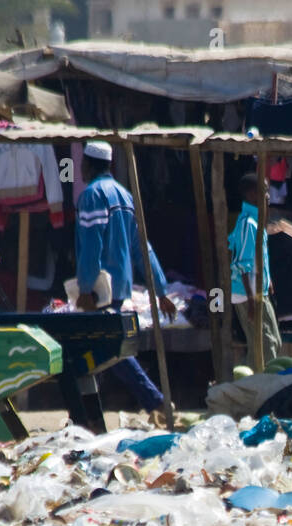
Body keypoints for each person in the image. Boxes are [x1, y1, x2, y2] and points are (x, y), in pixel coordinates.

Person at [75, 140, 173, 414]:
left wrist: (84, 287)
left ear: (90, 164)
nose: (79, 168)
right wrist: (161, 288)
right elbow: (143, 247)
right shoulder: (125, 196)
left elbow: (91, 245)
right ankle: (92, 411)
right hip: (119, 288)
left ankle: (154, 401)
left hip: (99, 289)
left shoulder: (92, 195)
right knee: (106, 346)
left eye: (82, 163)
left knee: (109, 348)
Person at [229, 172, 281, 367]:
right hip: (248, 295)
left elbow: (260, 258)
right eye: (263, 191)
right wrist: (252, 301)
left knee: (271, 340)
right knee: (265, 345)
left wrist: (269, 282)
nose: (267, 195)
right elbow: (242, 266)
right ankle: (259, 384)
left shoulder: (256, 222)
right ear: (251, 195)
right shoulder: (247, 225)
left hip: (258, 292)